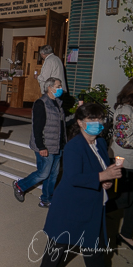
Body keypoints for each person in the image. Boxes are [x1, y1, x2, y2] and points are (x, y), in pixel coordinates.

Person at [40, 103, 122, 267]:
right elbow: (73, 178)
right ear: (79, 122)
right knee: (54, 254)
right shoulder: (73, 147)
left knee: (94, 254)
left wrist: (105, 181)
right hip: (70, 208)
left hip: (92, 208)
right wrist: (102, 175)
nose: (97, 123)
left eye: (100, 119)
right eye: (91, 119)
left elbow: (98, 170)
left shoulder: (100, 144)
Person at [13, 77, 67, 208]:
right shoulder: (41, 103)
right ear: (50, 88)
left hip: (57, 145)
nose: (61, 89)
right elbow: (37, 127)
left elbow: (60, 125)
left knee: (53, 175)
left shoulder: (58, 103)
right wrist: (41, 146)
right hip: (45, 145)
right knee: (44, 173)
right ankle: (20, 185)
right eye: (58, 86)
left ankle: (46, 199)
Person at [108, 79, 133, 250]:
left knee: (128, 198)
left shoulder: (126, 108)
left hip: (127, 159)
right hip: (125, 160)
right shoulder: (125, 110)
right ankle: (92, 213)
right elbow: (124, 139)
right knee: (123, 198)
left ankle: (126, 233)